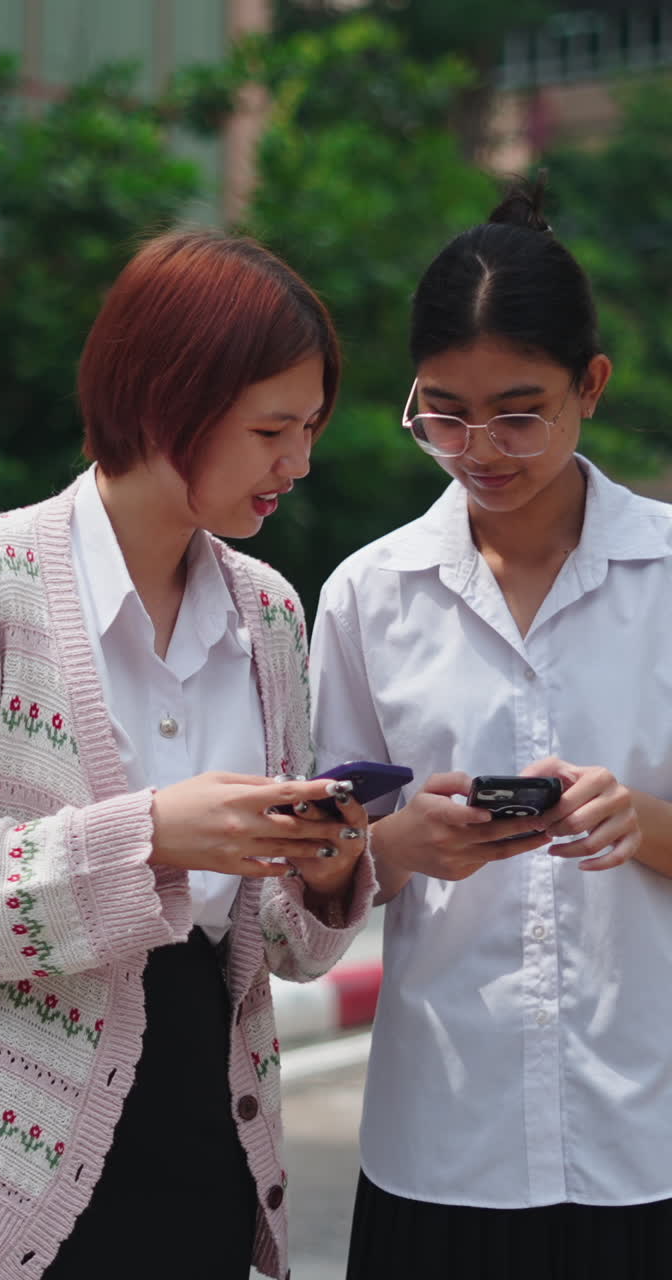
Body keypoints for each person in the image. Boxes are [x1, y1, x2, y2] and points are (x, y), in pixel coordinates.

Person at [0, 228, 375, 1280]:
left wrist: (323, 874)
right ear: (161, 400)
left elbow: (276, 948)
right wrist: (144, 838)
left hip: (208, 1143)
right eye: (273, 427)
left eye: (311, 427)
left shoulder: (270, 613)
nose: (301, 463)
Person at [310, 179, 672, 1280]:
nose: (481, 446)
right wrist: (396, 847)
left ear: (591, 386)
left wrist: (643, 821)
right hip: (443, 1138)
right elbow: (312, 876)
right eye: (443, 412)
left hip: (647, 1137)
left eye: (521, 411)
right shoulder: (370, 595)